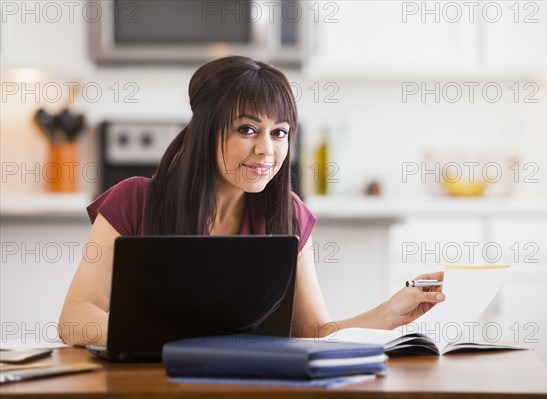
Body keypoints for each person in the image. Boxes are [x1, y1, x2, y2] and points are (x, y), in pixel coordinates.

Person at [58, 56, 444, 346]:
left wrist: (384, 315)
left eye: (279, 133)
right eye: (247, 129)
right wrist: (178, 334)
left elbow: (312, 333)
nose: (266, 150)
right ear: (206, 132)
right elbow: (74, 319)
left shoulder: (288, 213)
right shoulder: (134, 201)